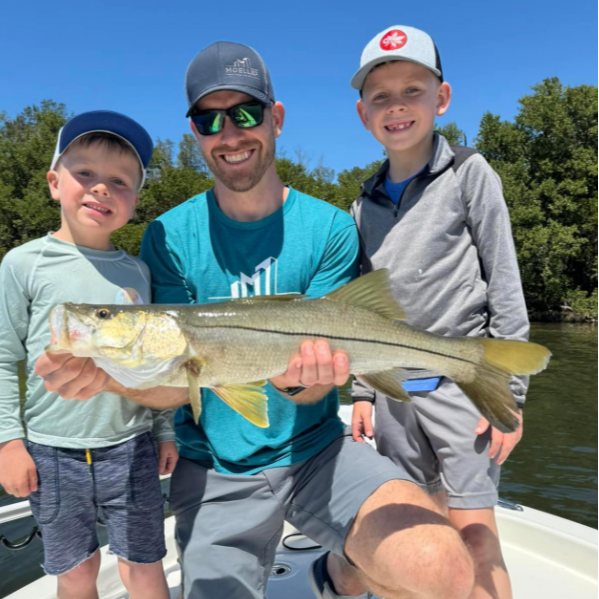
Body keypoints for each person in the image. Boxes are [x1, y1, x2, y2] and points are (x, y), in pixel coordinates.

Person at [35, 43, 476, 599]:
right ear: (195, 132)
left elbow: (314, 376)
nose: (230, 132)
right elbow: (176, 387)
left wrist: (305, 379)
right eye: (208, 119)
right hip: (213, 469)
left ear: (277, 118)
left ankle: (340, 575)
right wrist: (108, 378)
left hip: (318, 453)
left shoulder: (331, 227)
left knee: (444, 568)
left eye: (245, 113)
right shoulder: (167, 236)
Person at [349, 26, 530, 599]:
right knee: (421, 530)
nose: (396, 106)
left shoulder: (470, 173)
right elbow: (358, 314)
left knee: (476, 533)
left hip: (463, 387)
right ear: (362, 113)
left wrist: (511, 396)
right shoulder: (360, 202)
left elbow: (505, 284)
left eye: (412, 89)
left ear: (441, 99)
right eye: (380, 96)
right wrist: (360, 392)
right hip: (392, 396)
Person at [0, 111, 178, 599]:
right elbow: (1, 357)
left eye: (119, 181)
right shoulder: (22, 264)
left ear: (135, 202)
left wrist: (164, 429)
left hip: (133, 442)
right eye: (86, 174)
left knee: (144, 564)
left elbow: (154, 362)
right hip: (50, 450)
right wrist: (8, 443)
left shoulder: (138, 272)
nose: (101, 189)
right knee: (75, 572)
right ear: (55, 183)